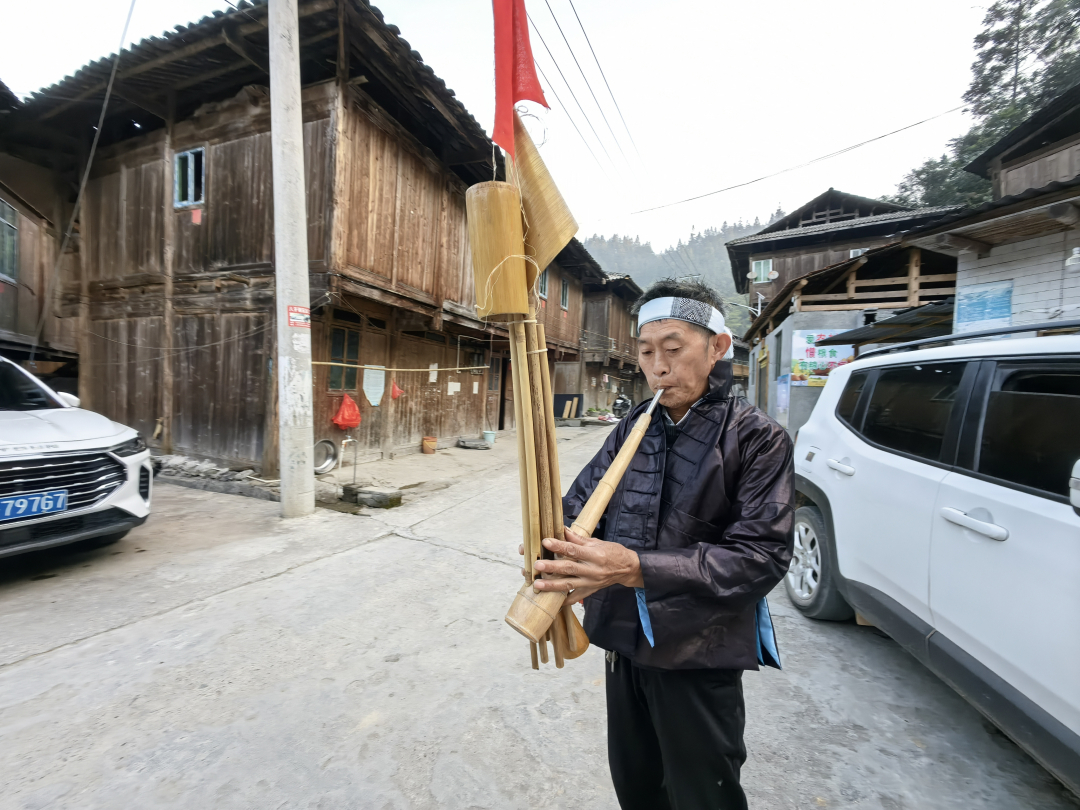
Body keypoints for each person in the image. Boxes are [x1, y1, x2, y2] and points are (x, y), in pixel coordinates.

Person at [531, 278, 794, 810]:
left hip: (699, 653)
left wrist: (633, 567)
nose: (658, 366)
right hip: (624, 644)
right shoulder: (635, 424)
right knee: (637, 786)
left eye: (674, 349)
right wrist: (555, 548)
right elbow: (582, 508)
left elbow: (760, 558)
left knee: (703, 796)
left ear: (718, 347)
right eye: (647, 352)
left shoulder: (757, 438)